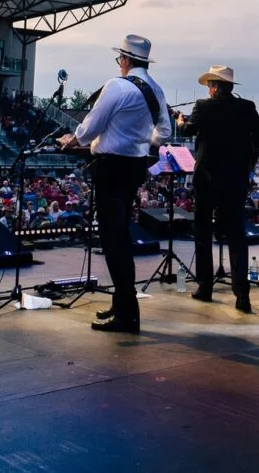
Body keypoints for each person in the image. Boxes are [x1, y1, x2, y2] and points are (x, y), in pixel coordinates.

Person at [59, 34, 171, 335]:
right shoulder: (156, 90)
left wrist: (74, 140)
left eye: (119, 59)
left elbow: (90, 128)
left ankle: (127, 315)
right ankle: (122, 304)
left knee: (114, 241)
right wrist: (141, 140)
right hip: (134, 168)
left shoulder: (116, 86)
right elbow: (165, 132)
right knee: (119, 235)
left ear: (125, 60)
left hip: (110, 168)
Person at [179, 65, 259, 312]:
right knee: (237, 235)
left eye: (210, 85)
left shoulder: (203, 106)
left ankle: (205, 287)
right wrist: (246, 149)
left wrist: (180, 121)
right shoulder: (246, 107)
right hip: (236, 178)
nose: (208, 90)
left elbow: (188, 130)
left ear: (215, 86)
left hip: (207, 178)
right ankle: (242, 296)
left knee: (203, 233)